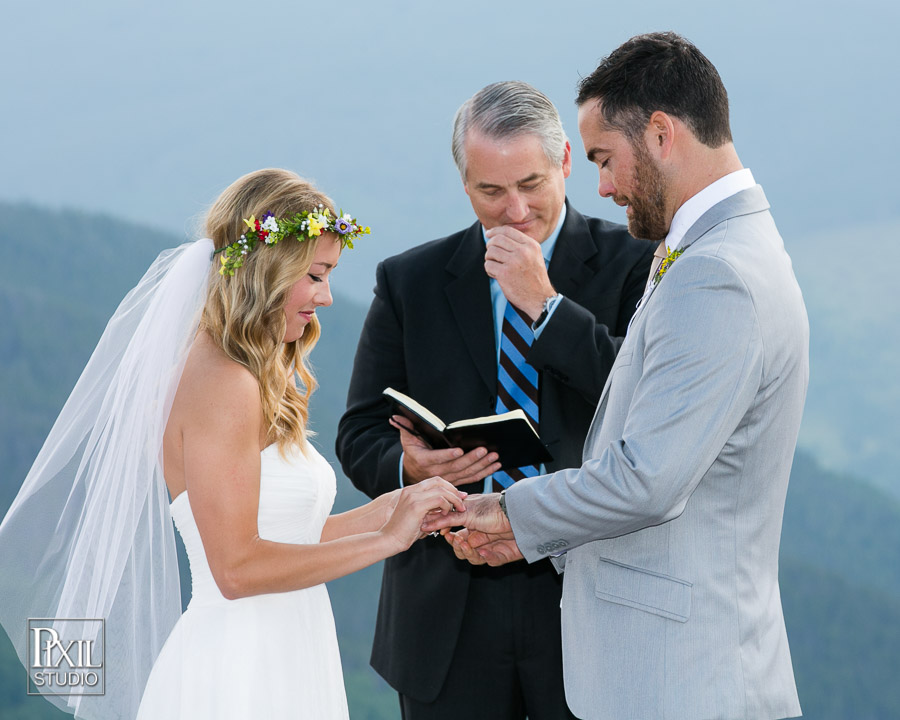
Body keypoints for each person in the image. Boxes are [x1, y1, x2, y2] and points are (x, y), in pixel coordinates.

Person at [424, 33, 808, 720]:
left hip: (684, 683)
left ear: (661, 133)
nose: (601, 185)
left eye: (605, 158)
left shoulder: (716, 273)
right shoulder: (715, 250)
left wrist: (511, 510)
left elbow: (646, 479)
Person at [0, 168, 465, 720]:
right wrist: (388, 540)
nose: (328, 296)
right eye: (315, 275)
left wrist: (397, 507)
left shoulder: (247, 374)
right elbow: (237, 569)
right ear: (268, 269)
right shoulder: (222, 383)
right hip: (240, 668)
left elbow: (287, 537)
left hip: (287, 649)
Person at [336, 82, 654, 719]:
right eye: (491, 191)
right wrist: (412, 469)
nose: (514, 211)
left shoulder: (638, 264)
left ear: (566, 161)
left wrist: (545, 306)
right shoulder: (410, 281)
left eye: (531, 184)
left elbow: (644, 402)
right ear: (464, 184)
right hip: (446, 603)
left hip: (585, 586)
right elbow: (360, 431)